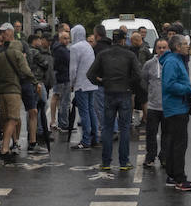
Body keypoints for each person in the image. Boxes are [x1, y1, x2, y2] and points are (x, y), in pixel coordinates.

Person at [87, 28, 141, 171]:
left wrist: (102, 83)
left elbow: (90, 74)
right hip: (125, 93)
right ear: (124, 40)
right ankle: (124, 162)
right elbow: (138, 75)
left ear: (113, 39)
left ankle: (106, 162)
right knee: (124, 128)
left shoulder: (103, 54)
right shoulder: (129, 55)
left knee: (107, 128)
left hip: (109, 92)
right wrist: (129, 84)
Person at [159, 34, 191, 192]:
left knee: (174, 143)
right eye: (184, 44)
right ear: (177, 47)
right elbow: (169, 85)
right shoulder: (172, 61)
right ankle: (180, 179)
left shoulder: (176, 60)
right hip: (176, 109)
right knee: (179, 145)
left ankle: (172, 175)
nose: (187, 46)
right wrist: (190, 89)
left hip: (177, 107)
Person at [0, 23, 34, 163]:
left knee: (5, 119)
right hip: (13, 90)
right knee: (14, 118)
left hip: (1, 92)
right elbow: (26, 71)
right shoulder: (17, 54)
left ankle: (7, 145)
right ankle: (5, 148)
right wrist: (35, 82)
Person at [68, 25, 99, 150]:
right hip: (91, 83)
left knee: (84, 112)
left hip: (81, 84)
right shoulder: (88, 46)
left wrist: (72, 84)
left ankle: (85, 140)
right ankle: (94, 137)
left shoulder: (74, 48)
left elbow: (73, 69)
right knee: (91, 110)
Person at [141, 37, 168, 169]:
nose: (162, 50)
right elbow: (144, 81)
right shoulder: (149, 64)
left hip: (168, 106)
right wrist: (150, 94)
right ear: (155, 49)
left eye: (164, 47)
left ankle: (164, 157)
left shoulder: (171, 63)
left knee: (167, 134)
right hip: (153, 106)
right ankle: (150, 157)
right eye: (159, 47)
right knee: (151, 133)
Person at [26, 30, 54, 154]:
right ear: (34, 41)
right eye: (38, 40)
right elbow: (45, 64)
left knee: (32, 108)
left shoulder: (26, 52)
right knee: (41, 106)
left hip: (29, 82)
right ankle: (40, 131)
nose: (40, 41)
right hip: (37, 82)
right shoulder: (36, 52)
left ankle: (33, 132)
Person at [50, 25, 72, 133]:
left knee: (61, 100)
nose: (67, 40)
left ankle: (60, 122)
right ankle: (63, 123)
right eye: (65, 38)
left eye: (68, 38)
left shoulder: (59, 48)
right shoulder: (61, 50)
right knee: (64, 101)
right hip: (62, 78)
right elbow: (69, 62)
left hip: (61, 77)